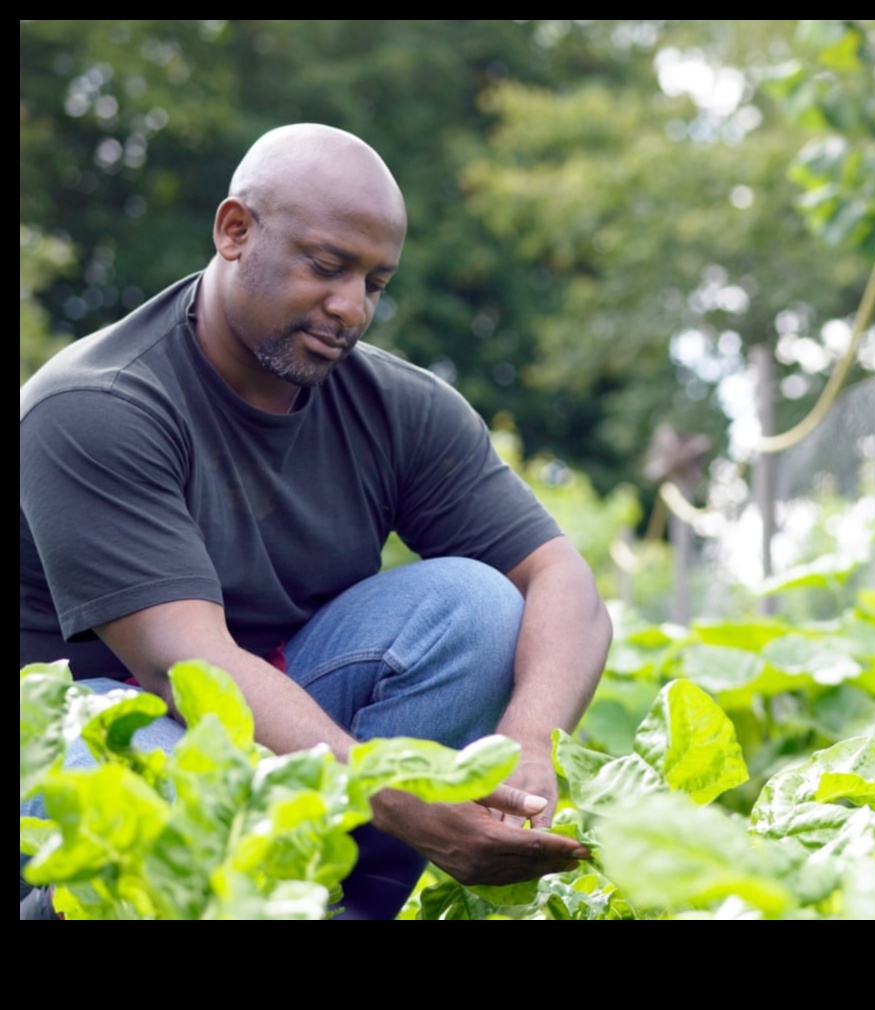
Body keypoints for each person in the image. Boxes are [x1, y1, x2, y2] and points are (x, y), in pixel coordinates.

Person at [20, 123, 611, 918]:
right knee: (183, 810)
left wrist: (532, 747)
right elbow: (183, 667)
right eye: (326, 267)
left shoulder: (399, 408)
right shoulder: (97, 406)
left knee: (477, 605)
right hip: (79, 732)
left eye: (375, 282)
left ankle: (352, 906)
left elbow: (563, 579)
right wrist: (395, 794)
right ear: (235, 232)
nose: (350, 307)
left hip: (270, 710)